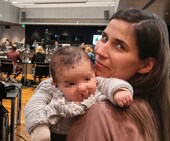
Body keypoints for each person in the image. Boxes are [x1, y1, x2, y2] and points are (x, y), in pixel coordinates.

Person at [66, 8, 170, 141]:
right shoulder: (152, 109)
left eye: (120, 46)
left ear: (145, 65)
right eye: (104, 38)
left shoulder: (101, 112)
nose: (99, 50)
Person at [24, 47, 133, 141]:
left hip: (85, 134)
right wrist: (40, 127)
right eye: (71, 83)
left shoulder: (98, 82)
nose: (82, 87)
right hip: (56, 134)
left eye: (87, 78)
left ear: (93, 73)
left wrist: (118, 91)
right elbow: (34, 105)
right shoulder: (50, 88)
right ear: (56, 84)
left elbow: (111, 83)